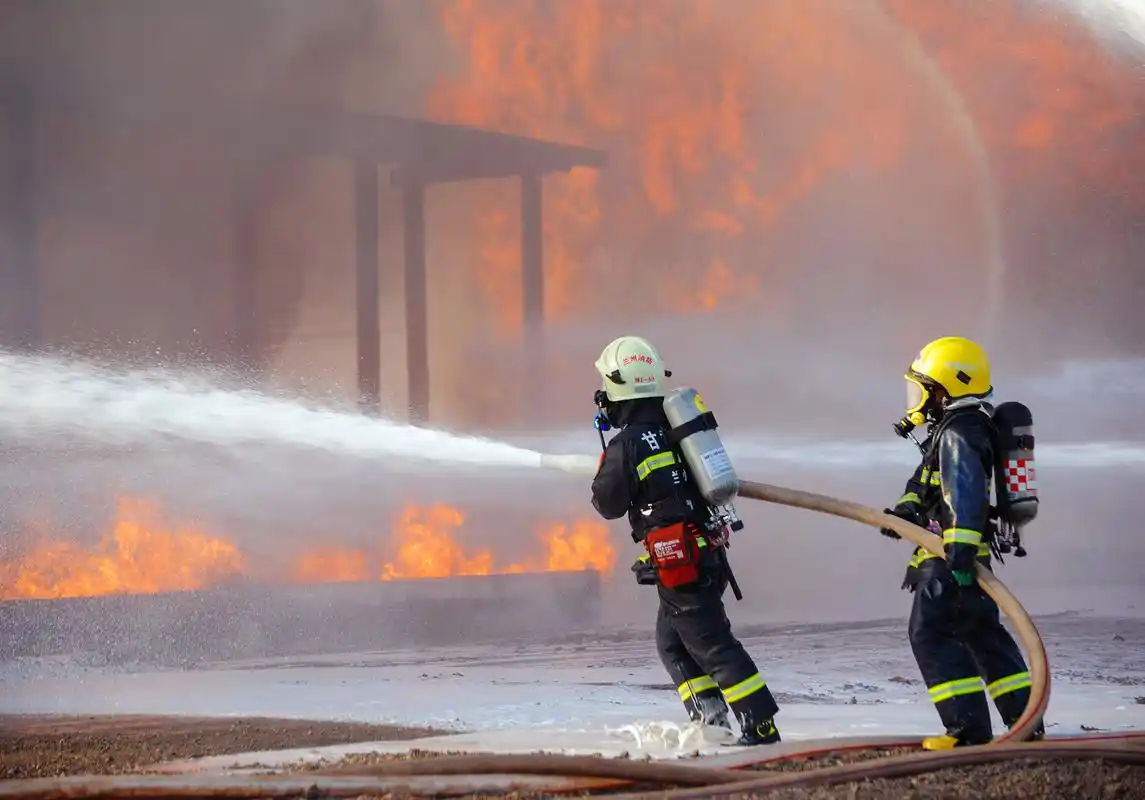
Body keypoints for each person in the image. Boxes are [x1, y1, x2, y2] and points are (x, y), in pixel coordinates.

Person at [588, 335, 781, 747]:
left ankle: (760, 725)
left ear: (619, 387)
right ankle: (712, 724)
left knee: (711, 644)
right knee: (674, 643)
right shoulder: (677, 428)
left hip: (682, 563)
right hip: (704, 554)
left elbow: (606, 504)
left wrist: (607, 464)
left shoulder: (628, 445)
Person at [880, 335, 1044, 750]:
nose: (915, 396)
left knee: (930, 633)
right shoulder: (957, 428)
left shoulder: (960, 432)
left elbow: (965, 494)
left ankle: (968, 731)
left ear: (945, 388)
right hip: (960, 552)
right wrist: (905, 513)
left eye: (922, 386)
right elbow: (927, 484)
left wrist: (959, 554)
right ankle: (1026, 724)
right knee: (982, 635)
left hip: (951, 556)